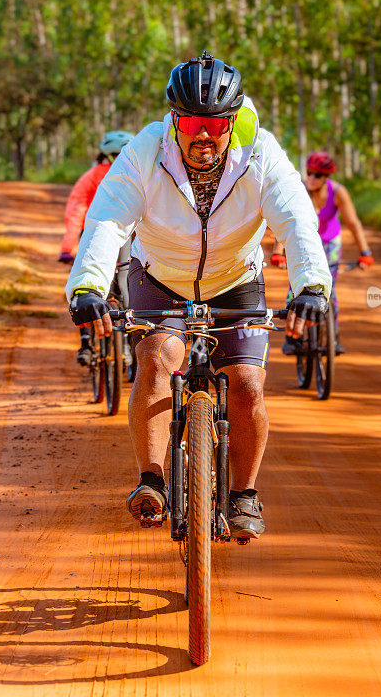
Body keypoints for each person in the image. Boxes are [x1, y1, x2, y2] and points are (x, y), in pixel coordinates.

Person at [66, 52, 332, 539]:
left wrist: (311, 285)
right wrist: (87, 286)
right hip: (160, 275)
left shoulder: (261, 154)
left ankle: (243, 494)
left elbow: (296, 221)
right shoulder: (146, 151)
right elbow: (107, 218)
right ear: (174, 120)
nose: (202, 134)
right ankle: (152, 482)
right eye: (191, 121)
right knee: (156, 358)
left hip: (236, 279)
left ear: (232, 121)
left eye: (214, 122)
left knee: (248, 381)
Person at [271, 151, 373, 355]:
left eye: (317, 175)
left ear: (326, 177)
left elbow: (352, 223)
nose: (311, 178)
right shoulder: (298, 190)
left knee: (329, 290)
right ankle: (293, 338)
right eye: (309, 173)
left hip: (329, 243)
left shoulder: (338, 192)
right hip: (302, 241)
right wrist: (278, 251)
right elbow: (288, 223)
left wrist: (365, 251)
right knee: (298, 286)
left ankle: (333, 337)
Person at [58, 130, 135, 365]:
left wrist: (67, 246)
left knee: (82, 287)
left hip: (93, 237)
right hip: (127, 237)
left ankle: (85, 344)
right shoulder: (135, 173)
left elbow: (76, 211)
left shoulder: (91, 175)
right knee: (126, 284)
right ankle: (132, 346)